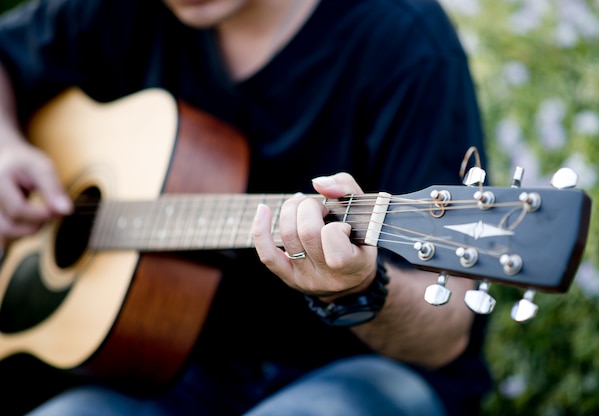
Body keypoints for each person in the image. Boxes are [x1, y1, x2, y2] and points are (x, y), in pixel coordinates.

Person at [0, 0, 492, 414]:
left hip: (358, 375)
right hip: (164, 372)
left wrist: (361, 291)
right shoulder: (118, 10)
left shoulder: (405, 42)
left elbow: (446, 332)